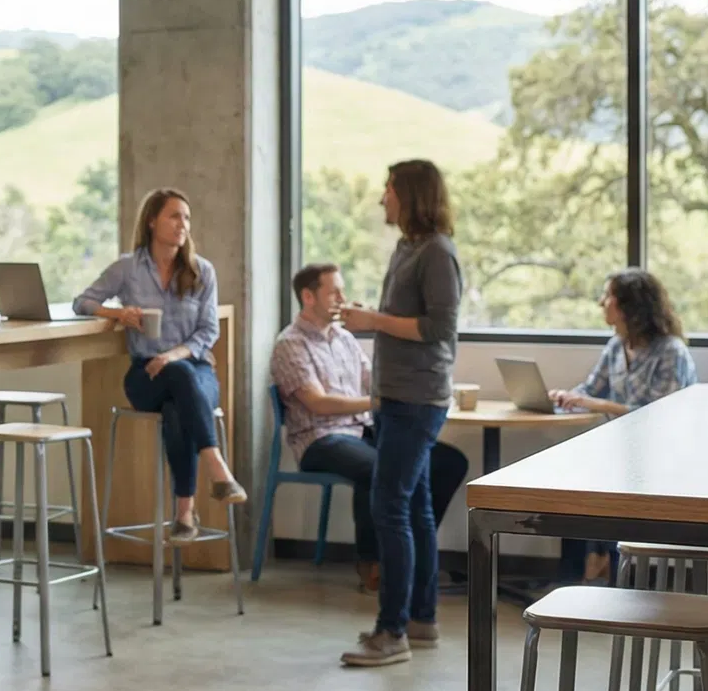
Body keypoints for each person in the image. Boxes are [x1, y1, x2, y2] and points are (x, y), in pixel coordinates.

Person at [269, 261, 468, 594]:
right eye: (334, 292)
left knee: (448, 462)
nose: (342, 298)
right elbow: (318, 403)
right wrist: (377, 403)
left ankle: (410, 553)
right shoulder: (290, 344)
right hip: (321, 439)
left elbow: (374, 382)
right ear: (308, 297)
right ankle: (372, 564)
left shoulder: (344, 339)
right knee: (380, 469)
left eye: (342, 291)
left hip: (363, 430)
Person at [336, 160, 462, 668]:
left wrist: (374, 320)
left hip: (417, 398)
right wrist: (375, 319)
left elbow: (439, 328)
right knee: (414, 509)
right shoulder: (408, 248)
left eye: (388, 189)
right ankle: (420, 619)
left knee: (388, 507)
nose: (382, 198)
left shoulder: (437, 252)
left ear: (410, 195)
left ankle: (392, 632)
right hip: (396, 397)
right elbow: (404, 321)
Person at [75, 188, 247, 542]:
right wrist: (118, 313)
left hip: (196, 371)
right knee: (176, 387)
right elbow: (83, 302)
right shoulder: (128, 268)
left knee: (177, 404)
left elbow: (209, 330)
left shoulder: (202, 271)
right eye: (174, 216)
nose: (183, 224)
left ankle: (184, 514)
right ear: (152, 221)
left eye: (187, 217)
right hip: (145, 375)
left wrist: (172, 356)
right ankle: (216, 467)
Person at [550, 268, 698, 581]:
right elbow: (591, 389)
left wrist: (600, 405)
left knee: (602, 478)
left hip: (665, 461)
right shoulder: (616, 346)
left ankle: (607, 567)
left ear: (630, 305)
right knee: (565, 478)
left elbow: (662, 415)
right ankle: (575, 577)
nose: (601, 302)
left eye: (608, 296)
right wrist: (566, 397)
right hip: (622, 454)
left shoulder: (671, 352)